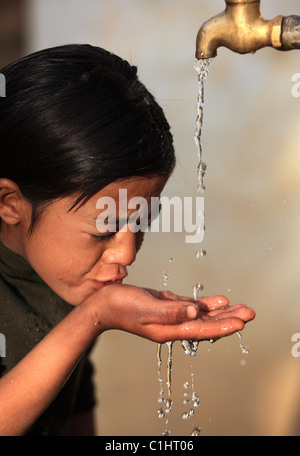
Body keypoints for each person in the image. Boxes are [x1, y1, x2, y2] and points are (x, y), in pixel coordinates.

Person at [0, 44, 255, 436]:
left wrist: (91, 317)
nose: (126, 254)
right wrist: (93, 318)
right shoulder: (80, 300)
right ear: (10, 203)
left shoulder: (64, 281)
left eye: (141, 223)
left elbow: (74, 413)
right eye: (104, 230)